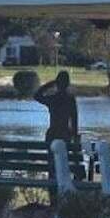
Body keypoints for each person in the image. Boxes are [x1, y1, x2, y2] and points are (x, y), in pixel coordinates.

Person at [35, 71, 80, 201]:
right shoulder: (70, 100)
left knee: (52, 167)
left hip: (52, 135)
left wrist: (50, 84)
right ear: (68, 84)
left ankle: (53, 198)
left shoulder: (53, 99)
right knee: (64, 165)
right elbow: (75, 122)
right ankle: (64, 197)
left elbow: (37, 95)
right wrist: (74, 136)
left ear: (57, 84)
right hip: (65, 135)